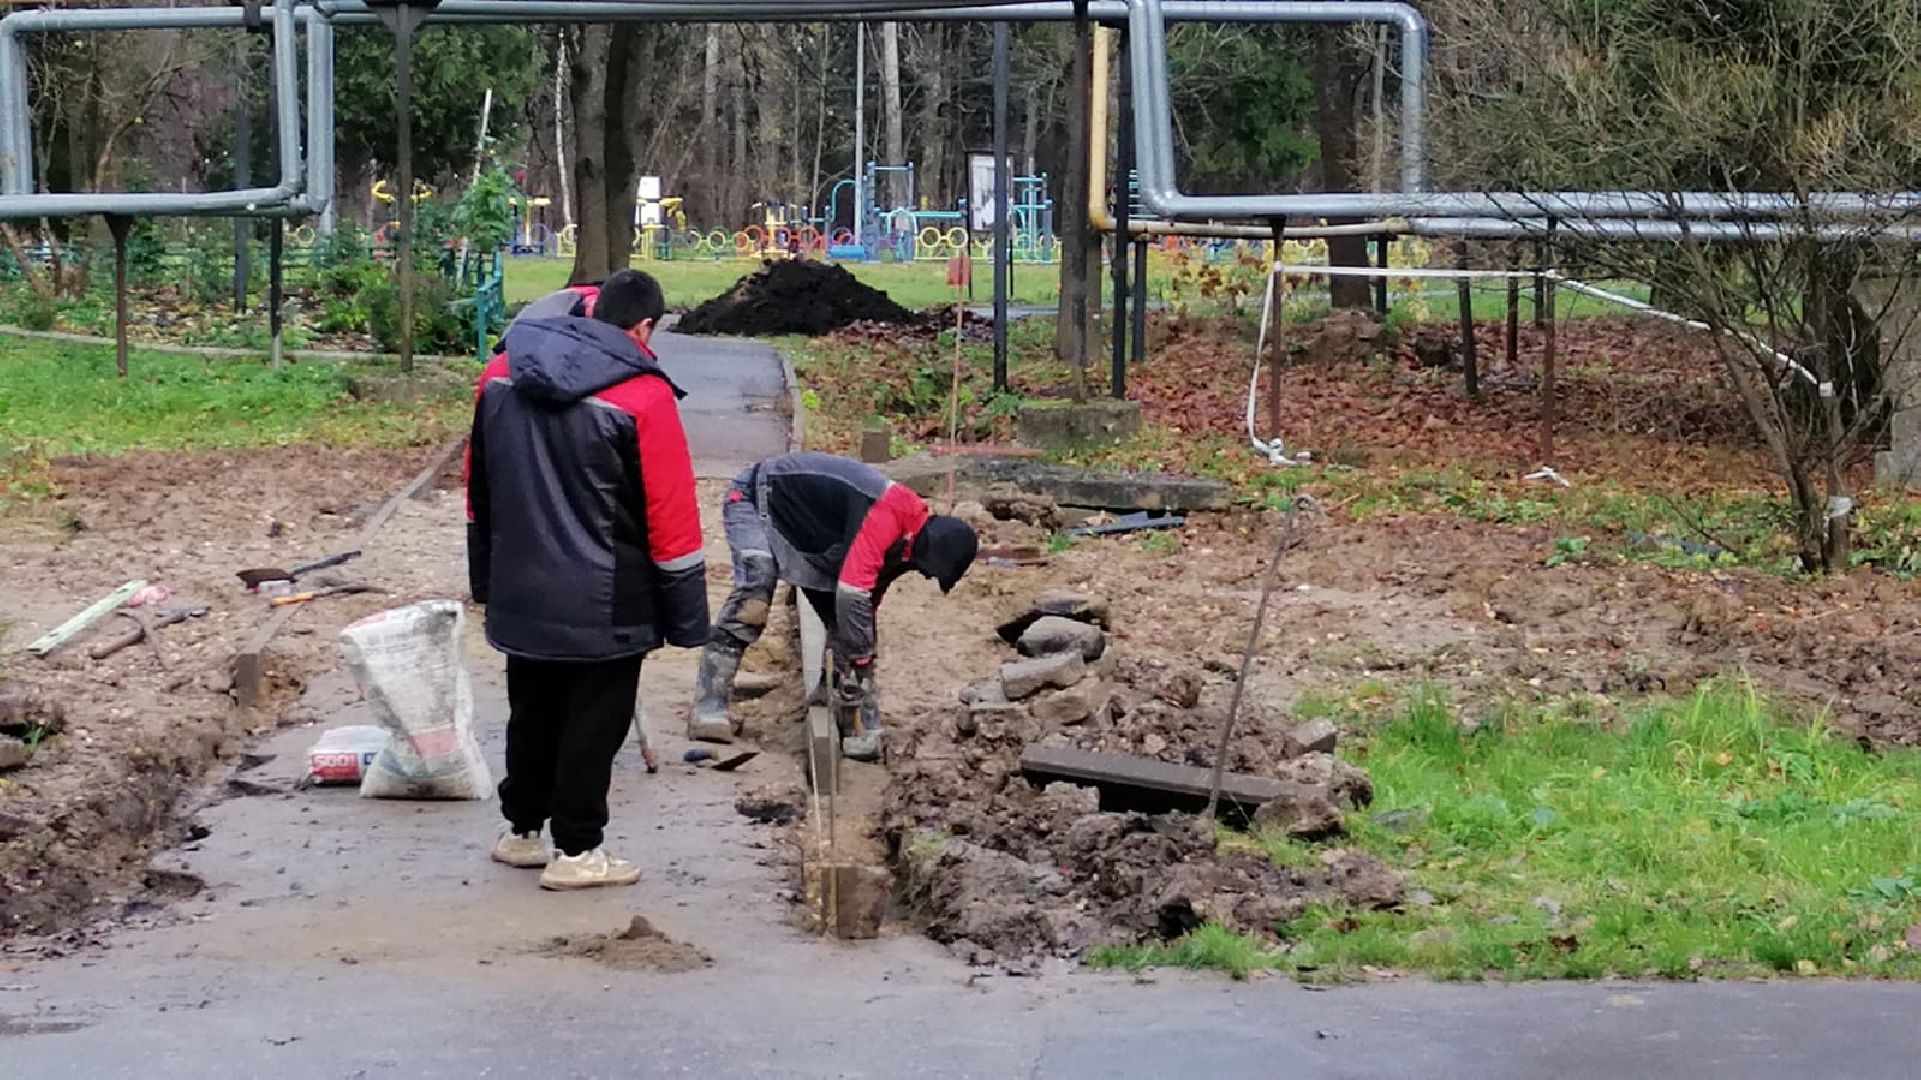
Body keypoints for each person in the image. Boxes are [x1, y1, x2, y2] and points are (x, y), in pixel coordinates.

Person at [466, 268, 708, 891]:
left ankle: (521, 831)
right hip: (609, 596)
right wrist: (685, 615)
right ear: (644, 327)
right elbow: (670, 513)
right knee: (594, 720)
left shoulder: (499, 376)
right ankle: (577, 851)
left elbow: (479, 490)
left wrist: (487, 580)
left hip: (523, 587)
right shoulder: (641, 396)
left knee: (532, 708)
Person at [688, 452, 978, 760]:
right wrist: (862, 660)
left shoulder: (908, 545)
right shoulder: (887, 512)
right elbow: (852, 593)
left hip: (813, 533)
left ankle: (840, 709)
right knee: (755, 595)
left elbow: (863, 610)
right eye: (930, 570)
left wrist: (854, 664)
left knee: (850, 630)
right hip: (755, 499)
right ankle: (709, 706)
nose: (925, 574)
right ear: (930, 552)